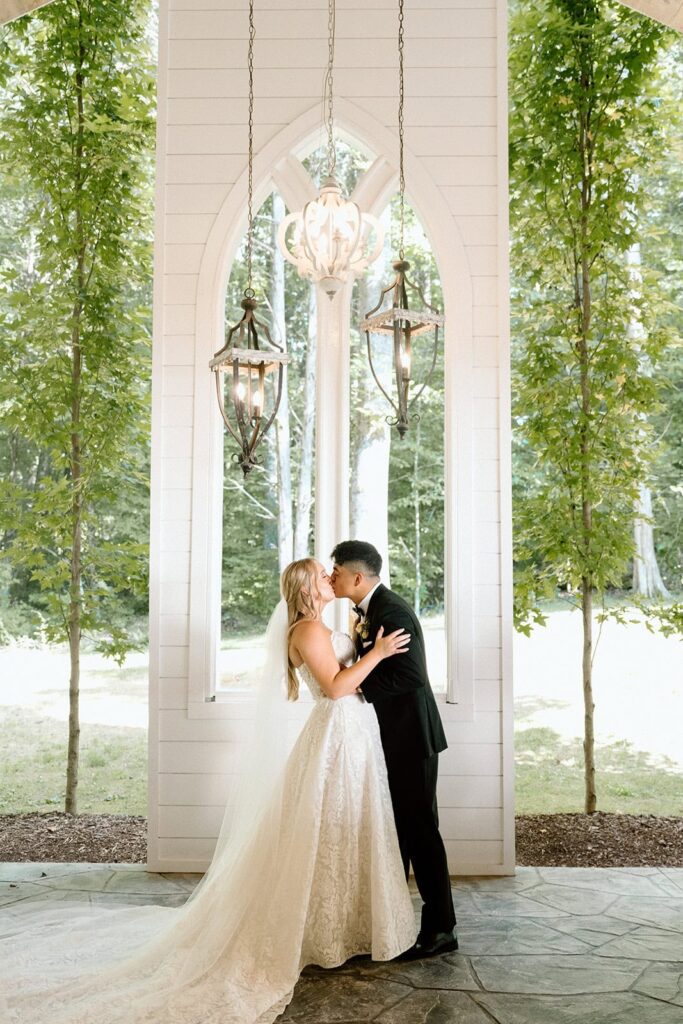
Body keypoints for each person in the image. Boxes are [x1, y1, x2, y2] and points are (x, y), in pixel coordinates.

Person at [0, 558, 417, 1024]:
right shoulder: (307, 632)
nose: (330, 577)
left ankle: (345, 926)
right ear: (306, 587)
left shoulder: (320, 627)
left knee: (343, 831)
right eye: (322, 574)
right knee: (324, 828)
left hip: (353, 735)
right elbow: (338, 688)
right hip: (338, 734)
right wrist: (375, 655)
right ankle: (321, 932)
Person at [330, 539, 457, 959]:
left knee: (421, 831)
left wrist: (355, 686)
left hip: (411, 737)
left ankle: (441, 929)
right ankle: (395, 924)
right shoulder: (368, 610)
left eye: (336, 570)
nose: (332, 577)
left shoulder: (392, 610)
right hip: (389, 737)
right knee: (397, 832)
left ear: (357, 577)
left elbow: (412, 676)